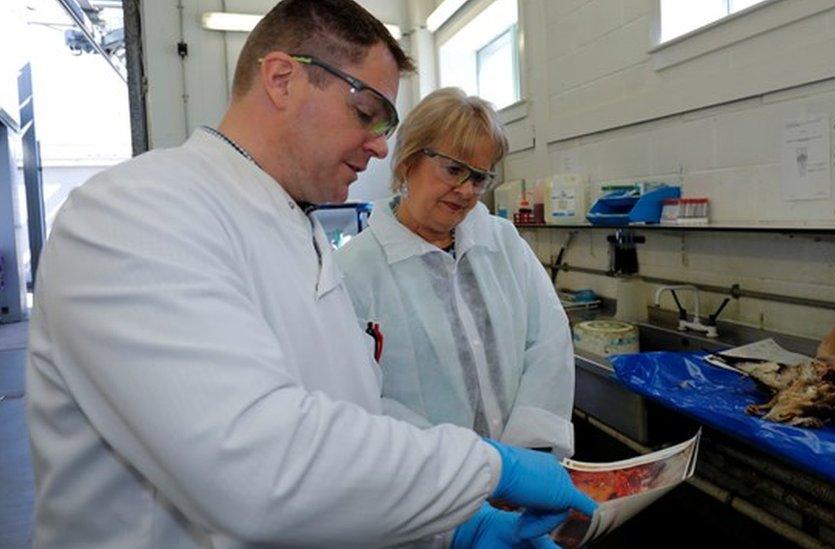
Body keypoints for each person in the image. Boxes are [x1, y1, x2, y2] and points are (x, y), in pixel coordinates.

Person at [26, 1, 595, 547]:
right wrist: (486, 470)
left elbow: (348, 424)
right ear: (282, 79)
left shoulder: (301, 234)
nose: (378, 146)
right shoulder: (138, 211)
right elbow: (255, 469)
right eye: (367, 113)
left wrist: (450, 526)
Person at [335, 88, 576, 458]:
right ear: (408, 161)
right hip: (428, 491)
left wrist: (525, 456)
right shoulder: (356, 270)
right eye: (453, 169)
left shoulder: (503, 244)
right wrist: (462, 470)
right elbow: (359, 399)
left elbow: (548, 344)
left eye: (479, 178)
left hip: (525, 468)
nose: (465, 190)